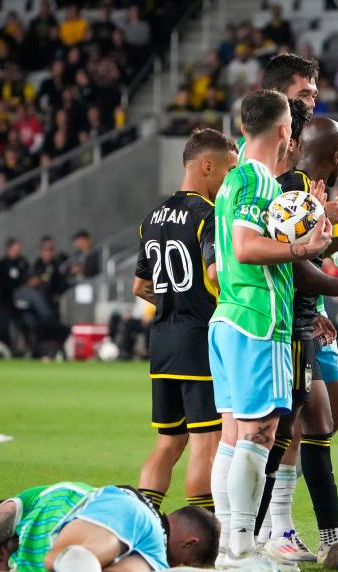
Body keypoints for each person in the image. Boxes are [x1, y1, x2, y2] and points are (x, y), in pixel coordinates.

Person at [208, 89, 332, 567]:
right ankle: (241, 544)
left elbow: (221, 263)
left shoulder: (231, 181)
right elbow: (245, 247)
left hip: (230, 318)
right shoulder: (261, 179)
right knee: (259, 434)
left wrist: (311, 232)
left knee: (234, 435)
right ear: (284, 131)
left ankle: (226, 542)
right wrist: (303, 249)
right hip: (260, 322)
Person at [261, 115, 338, 562]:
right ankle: (272, 533)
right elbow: (294, 264)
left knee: (315, 423)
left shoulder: (309, 190)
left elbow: (307, 255)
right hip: (288, 326)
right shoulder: (294, 192)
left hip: (304, 320)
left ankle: (310, 535)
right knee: (287, 429)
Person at [133, 128, 239, 516]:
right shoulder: (207, 216)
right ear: (207, 166)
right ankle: (204, 533)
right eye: (229, 171)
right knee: (205, 442)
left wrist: (172, 300)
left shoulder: (152, 217)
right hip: (198, 342)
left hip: (161, 342)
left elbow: (140, 285)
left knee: (168, 444)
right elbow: (214, 275)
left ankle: (143, 520)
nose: (230, 181)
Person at [0, 484, 283, 572]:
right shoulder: (154, 548)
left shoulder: (125, 507)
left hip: (125, 503)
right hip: (135, 527)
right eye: (187, 561)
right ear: (189, 541)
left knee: (60, 557)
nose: (179, 566)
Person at [236, 53, 319, 161]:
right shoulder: (239, 158)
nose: (312, 104)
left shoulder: (311, 150)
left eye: (314, 96)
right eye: (304, 95)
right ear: (275, 96)